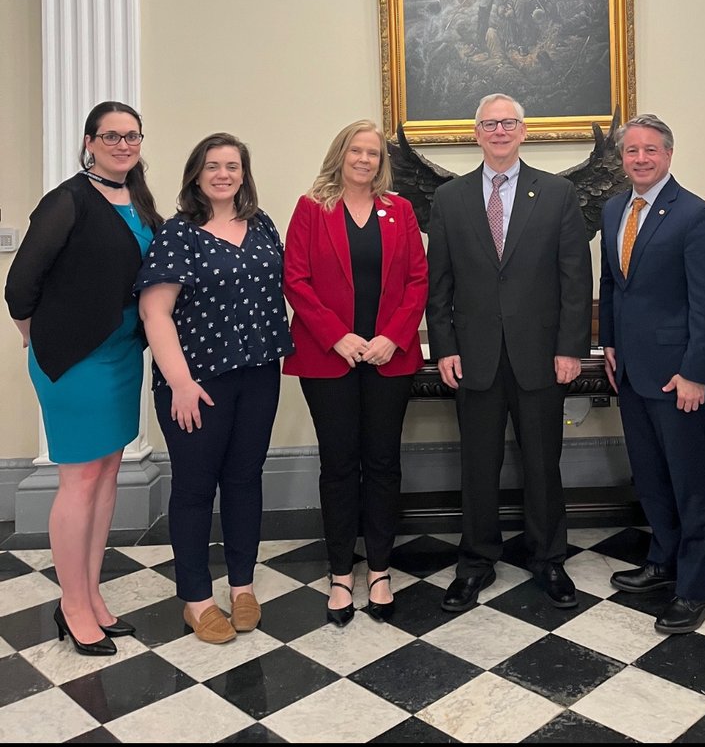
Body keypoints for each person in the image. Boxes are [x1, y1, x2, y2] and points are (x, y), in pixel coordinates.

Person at [4, 101, 162, 655]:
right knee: (79, 479)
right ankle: (71, 607)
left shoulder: (138, 199)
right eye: (111, 136)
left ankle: (90, 593)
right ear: (90, 141)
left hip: (122, 355)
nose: (124, 144)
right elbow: (20, 286)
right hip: (73, 361)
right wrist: (34, 336)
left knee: (109, 472)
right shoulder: (66, 200)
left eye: (132, 135)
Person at [427, 93, 592, 612]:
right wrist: (444, 348)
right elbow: (440, 286)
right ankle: (476, 561)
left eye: (508, 123)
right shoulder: (449, 199)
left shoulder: (558, 193)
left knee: (544, 461)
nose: (499, 131)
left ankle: (548, 558)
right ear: (476, 133)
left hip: (541, 355)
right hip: (473, 355)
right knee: (478, 463)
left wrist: (572, 349)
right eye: (489, 124)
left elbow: (574, 278)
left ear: (524, 131)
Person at [137, 133, 293, 644]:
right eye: (212, 166)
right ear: (196, 175)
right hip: (196, 383)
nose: (223, 174)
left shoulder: (263, 224)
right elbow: (154, 311)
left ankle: (242, 587)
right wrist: (179, 383)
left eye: (232, 165)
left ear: (244, 174)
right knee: (195, 487)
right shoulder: (179, 234)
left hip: (259, 374)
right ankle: (197, 599)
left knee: (245, 479)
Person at [283, 120, 428, 626]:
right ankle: (342, 571)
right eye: (356, 151)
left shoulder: (400, 210)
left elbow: (417, 279)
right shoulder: (311, 209)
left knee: (384, 462)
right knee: (340, 464)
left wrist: (392, 336)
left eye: (372, 153)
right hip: (329, 358)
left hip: (390, 357)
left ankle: (382, 568)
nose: (364, 159)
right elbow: (295, 279)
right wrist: (336, 335)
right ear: (340, 155)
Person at [599, 115, 705, 634]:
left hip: (680, 376)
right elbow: (613, 285)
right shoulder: (614, 210)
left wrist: (695, 371)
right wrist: (609, 343)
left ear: (669, 154)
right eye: (631, 151)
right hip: (630, 370)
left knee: (691, 484)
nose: (640, 159)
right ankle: (664, 560)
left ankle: (696, 589)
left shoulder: (697, 216)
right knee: (651, 478)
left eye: (650, 150)